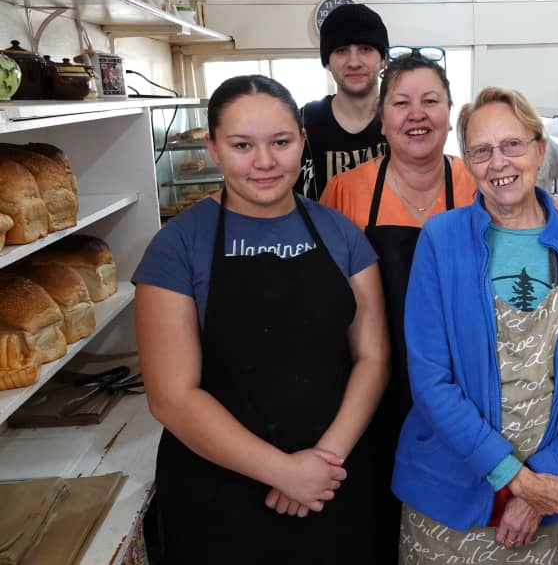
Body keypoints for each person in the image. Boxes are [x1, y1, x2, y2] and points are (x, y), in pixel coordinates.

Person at [321, 52, 558, 562]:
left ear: (448, 114)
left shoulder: (481, 180)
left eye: (430, 100)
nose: (416, 113)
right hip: (373, 396)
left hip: (467, 403)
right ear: (382, 116)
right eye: (400, 102)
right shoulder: (347, 191)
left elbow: (528, 231)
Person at [133, 74, 389, 564]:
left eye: (281, 142)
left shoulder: (342, 235)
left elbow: (372, 357)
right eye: (242, 145)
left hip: (333, 483)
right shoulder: (178, 247)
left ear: (303, 141)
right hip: (219, 492)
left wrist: (322, 463)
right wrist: (282, 471)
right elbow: (172, 397)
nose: (265, 162)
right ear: (212, 147)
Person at [392, 86, 558, 564]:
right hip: (450, 495)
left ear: (539, 149)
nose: (499, 163)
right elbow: (431, 381)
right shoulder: (441, 239)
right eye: (482, 150)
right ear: (468, 162)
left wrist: (543, 483)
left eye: (513, 144)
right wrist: (518, 481)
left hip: (551, 492)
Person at [297, 3, 389, 199]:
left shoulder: (402, 118)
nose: (354, 62)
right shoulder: (305, 122)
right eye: (341, 50)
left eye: (365, 49)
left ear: (383, 59)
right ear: (327, 62)